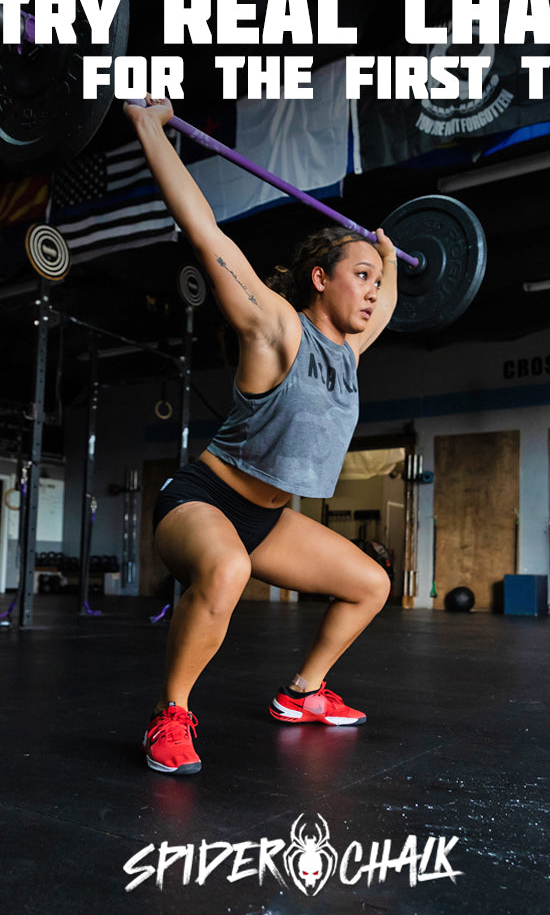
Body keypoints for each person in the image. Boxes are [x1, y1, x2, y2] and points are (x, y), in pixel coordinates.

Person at [124, 96, 399, 775]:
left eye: (372, 283)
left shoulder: (350, 355)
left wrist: (386, 256)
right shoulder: (276, 328)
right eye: (357, 277)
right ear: (318, 279)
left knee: (370, 583)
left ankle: (303, 694)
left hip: (269, 520)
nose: (370, 293)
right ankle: (172, 714)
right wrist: (147, 130)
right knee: (228, 569)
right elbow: (205, 231)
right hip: (202, 501)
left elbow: (386, 302)